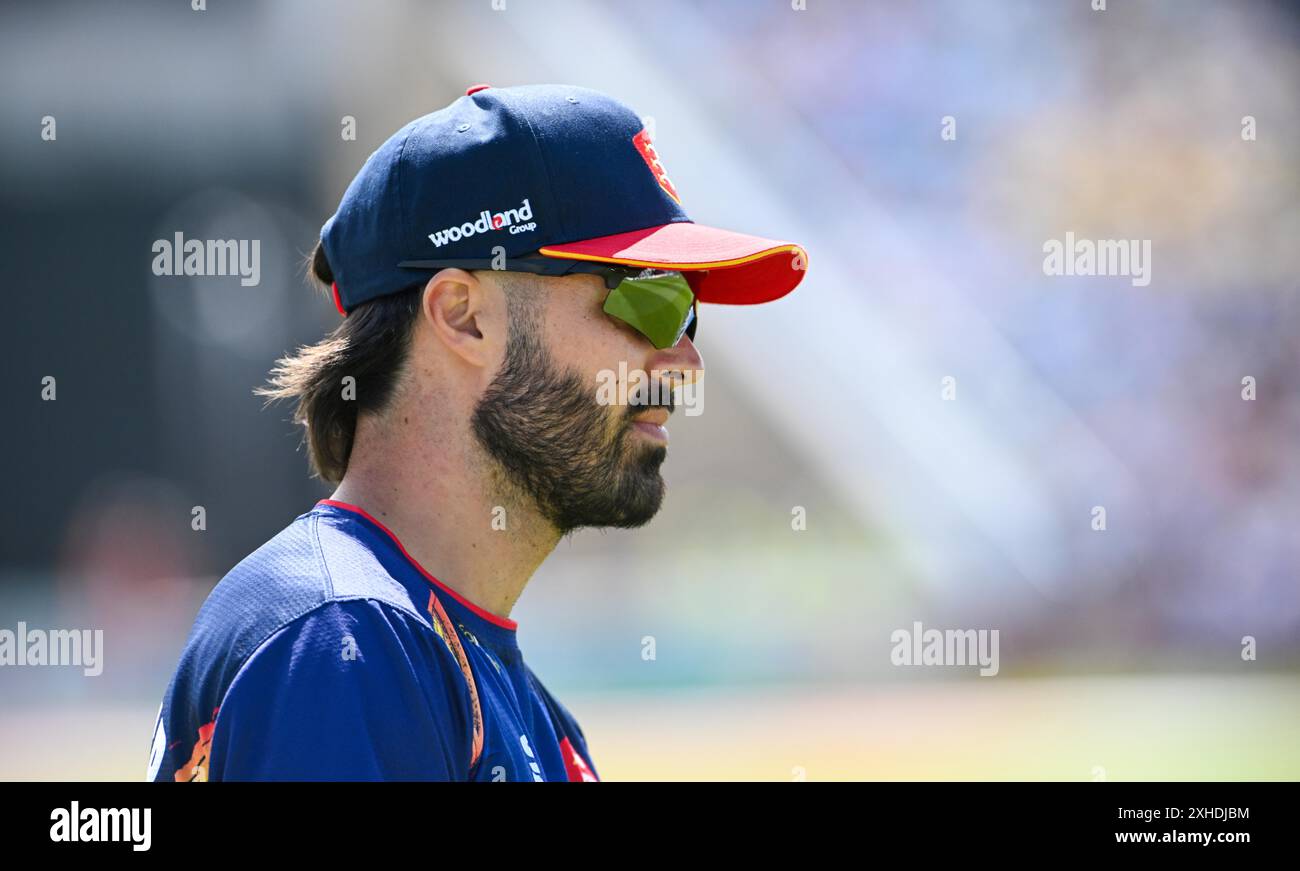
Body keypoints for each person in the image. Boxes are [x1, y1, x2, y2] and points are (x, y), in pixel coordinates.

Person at [148, 83, 808, 781]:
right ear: (463, 316)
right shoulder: (341, 640)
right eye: (650, 298)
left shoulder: (501, 691)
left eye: (689, 315)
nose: (686, 362)